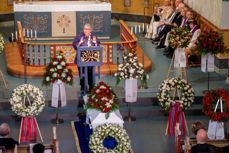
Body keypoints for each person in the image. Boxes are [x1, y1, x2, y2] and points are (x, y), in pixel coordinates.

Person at [72, 23, 100, 94]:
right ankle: (82, 87)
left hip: (91, 60)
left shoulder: (94, 37)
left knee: (90, 74)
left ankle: (91, 87)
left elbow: (98, 46)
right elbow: (74, 46)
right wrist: (79, 43)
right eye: (85, 29)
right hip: (80, 59)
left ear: (90, 30)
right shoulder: (79, 36)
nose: (86, 31)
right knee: (82, 74)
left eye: (87, 29)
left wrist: (95, 43)